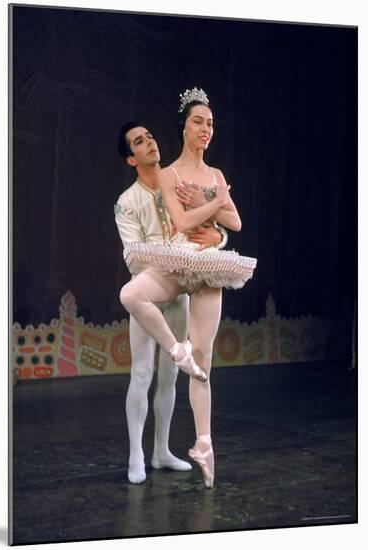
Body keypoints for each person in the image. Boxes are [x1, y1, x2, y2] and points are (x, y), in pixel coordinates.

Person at [120, 88, 257, 488]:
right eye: (198, 121)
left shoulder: (214, 175)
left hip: (208, 268)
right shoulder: (169, 175)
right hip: (173, 264)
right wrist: (215, 203)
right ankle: (173, 353)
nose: (205, 128)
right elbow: (182, 223)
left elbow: (236, 224)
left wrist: (213, 216)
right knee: (134, 306)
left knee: (204, 361)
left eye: (210, 123)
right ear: (183, 128)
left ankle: (203, 443)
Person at [115, 121, 226, 484]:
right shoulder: (127, 202)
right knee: (142, 373)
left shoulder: (176, 182)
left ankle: (161, 451)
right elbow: (133, 258)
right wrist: (170, 262)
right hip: (148, 292)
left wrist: (218, 236)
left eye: (150, 136)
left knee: (170, 378)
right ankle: (136, 455)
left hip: (179, 294)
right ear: (131, 159)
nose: (149, 143)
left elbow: (205, 226)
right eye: (139, 142)